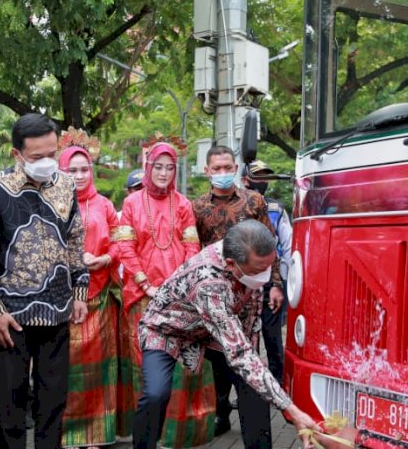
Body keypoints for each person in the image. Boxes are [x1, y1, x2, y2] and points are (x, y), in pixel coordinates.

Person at [132, 220, 317, 449]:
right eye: (260, 270)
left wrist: (258, 372)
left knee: (253, 386)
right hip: (168, 330)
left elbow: (248, 336)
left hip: (210, 330)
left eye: (269, 267)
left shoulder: (247, 254)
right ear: (231, 264)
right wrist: (293, 411)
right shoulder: (209, 284)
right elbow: (239, 352)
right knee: (156, 394)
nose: (266, 277)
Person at [0, 113, 89, 449]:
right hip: (11, 316)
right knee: (11, 402)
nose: (47, 162)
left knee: (53, 400)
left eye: (52, 154)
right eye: (37, 157)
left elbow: (76, 238)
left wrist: (80, 290)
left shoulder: (66, 185)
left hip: (58, 308)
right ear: (17, 154)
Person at [112, 141, 214, 448]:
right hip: (141, 297)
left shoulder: (182, 204)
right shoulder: (131, 204)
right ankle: (146, 436)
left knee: (178, 369)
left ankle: (173, 437)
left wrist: (176, 284)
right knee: (146, 369)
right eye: (159, 166)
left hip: (177, 299)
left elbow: (192, 246)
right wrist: (146, 283)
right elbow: (125, 248)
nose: (164, 173)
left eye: (170, 168)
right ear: (148, 167)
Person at [191, 146, 284, 438]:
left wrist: (276, 284)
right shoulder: (196, 207)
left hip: (250, 294)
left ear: (236, 168)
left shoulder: (253, 201)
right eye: (216, 168)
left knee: (246, 358)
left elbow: (269, 243)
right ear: (207, 171)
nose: (222, 173)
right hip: (214, 297)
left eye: (227, 167)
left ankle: (252, 423)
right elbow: (192, 251)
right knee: (215, 359)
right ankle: (220, 411)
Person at [57, 130, 122, 449]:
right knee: (66, 368)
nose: (80, 175)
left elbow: (121, 243)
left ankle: (95, 433)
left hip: (99, 296)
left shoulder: (105, 205)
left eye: (85, 169)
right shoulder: (51, 202)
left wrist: (105, 258)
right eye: (73, 170)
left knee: (98, 367)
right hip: (62, 300)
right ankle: (67, 432)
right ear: (62, 170)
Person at [242, 160, 293, 384]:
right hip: (242, 283)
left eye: (265, 177)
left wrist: (283, 282)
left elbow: (288, 247)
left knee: (272, 338)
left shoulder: (276, 209)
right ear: (245, 180)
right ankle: (248, 385)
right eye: (257, 177)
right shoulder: (234, 208)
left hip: (271, 283)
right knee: (244, 338)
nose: (261, 182)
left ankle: (278, 385)